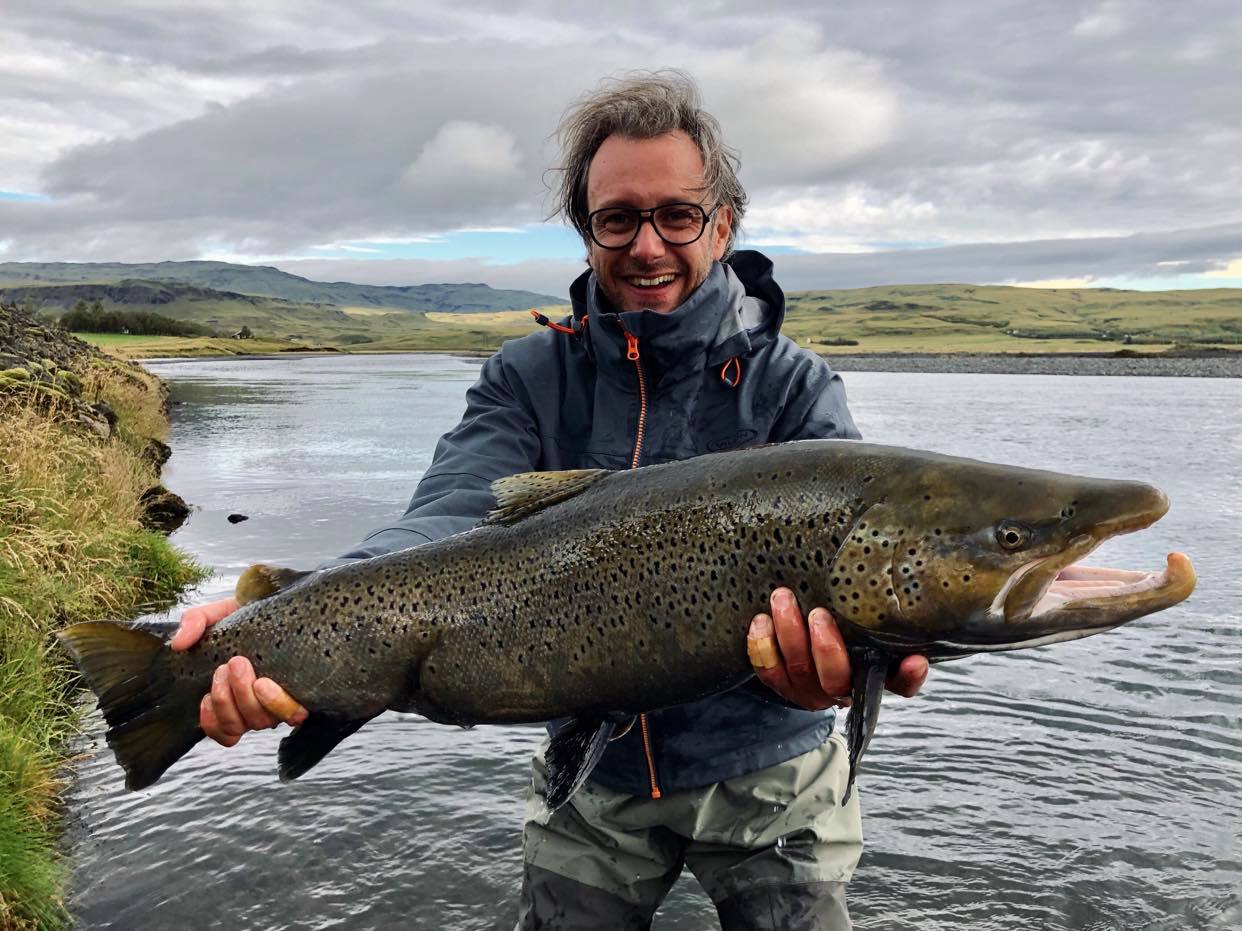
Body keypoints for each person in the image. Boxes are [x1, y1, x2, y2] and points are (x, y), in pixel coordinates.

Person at [172, 71, 928, 930]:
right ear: (587, 231)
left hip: (774, 772)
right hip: (592, 781)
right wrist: (292, 609)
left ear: (721, 224)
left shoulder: (793, 387)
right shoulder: (528, 376)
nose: (647, 244)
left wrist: (846, 666)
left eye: (676, 215)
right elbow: (446, 515)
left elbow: (864, 575)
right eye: (618, 218)